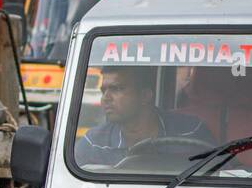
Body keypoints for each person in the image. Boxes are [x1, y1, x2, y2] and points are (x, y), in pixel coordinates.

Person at [75, 67, 215, 167]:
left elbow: (219, 178)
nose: (105, 98)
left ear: (145, 95)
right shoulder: (94, 143)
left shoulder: (191, 132)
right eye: (104, 91)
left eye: (117, 89)